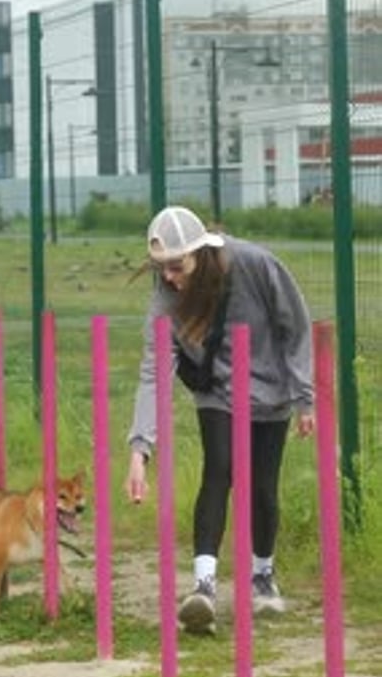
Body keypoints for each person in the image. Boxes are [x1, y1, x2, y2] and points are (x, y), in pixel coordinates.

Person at [125, 205, 315, 633]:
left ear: (199, 253)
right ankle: (203, 587)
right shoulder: (165, 297)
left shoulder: (255, 263)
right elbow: (154, 372)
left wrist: (306, 398)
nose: (169, 277)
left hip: (270, 390)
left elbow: (296, 325)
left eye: (176, 267)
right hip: (217, 391)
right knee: (219, 470)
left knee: (263, 486)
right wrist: (141, 449)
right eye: (160, 269)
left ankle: (262, 577)